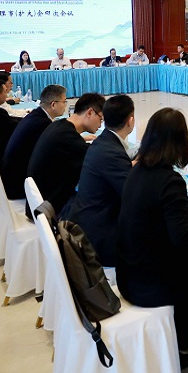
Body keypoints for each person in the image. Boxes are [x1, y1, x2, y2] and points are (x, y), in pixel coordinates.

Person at [116, 108, 188, 371]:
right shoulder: (169, 180)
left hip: (128, 274)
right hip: (149, 285)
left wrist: (182, 210)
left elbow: (152, 209)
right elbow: (182, 237)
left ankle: (181, 343)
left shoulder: (137, 170)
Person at [67, 95, 136, 268]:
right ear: (131, 121)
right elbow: (135, 197)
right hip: (99, 240)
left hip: (86, 224)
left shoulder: (103, 142)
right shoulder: (111, 152)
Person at [26, 92, 105, 217]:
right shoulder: (67, 137)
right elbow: (98, 160)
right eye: (100, 119)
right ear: (90, 112)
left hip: (39, 202)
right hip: (49, 210)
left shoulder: (59, 125)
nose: (100, 125)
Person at [0, 85, 68, 198]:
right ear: (53, 104)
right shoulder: (42, 124)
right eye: (64, 102)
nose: (65, 105)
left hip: (12, 178)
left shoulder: (36, 115)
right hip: (19, 185)